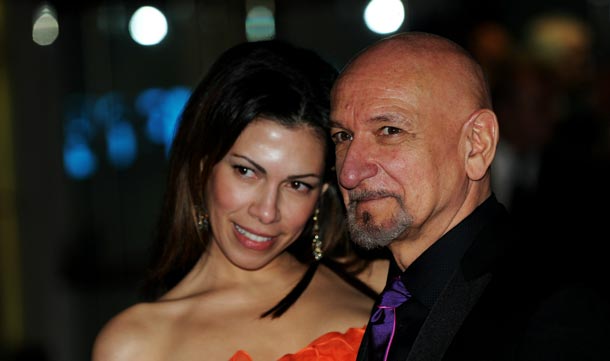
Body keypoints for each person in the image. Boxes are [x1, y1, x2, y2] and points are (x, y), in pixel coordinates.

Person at [91, 39, 388, 361]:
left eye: (297, 184)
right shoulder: (135, 345)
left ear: (323, 193)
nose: (266, 211)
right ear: (203, 165)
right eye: (246, 171)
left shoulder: (386, 285)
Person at [329, 31, 610, 361]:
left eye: (390, 131)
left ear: (477, 144)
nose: (349, 172)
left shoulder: (556, 309)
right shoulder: (366, 296)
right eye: (342, 135)